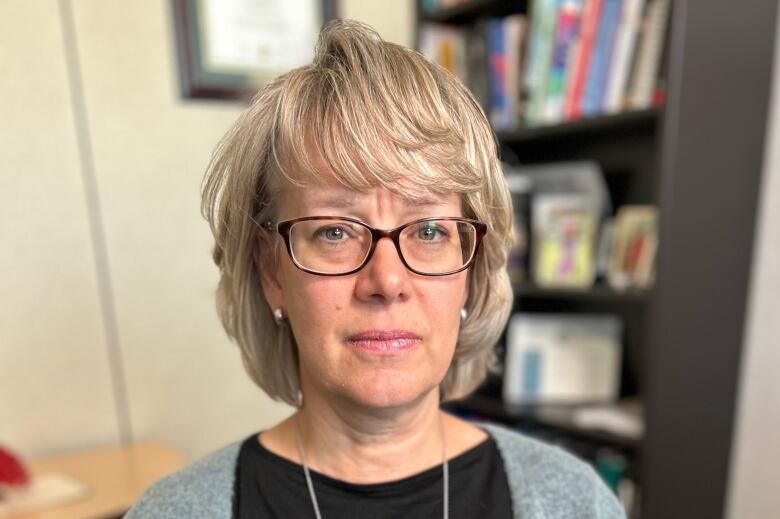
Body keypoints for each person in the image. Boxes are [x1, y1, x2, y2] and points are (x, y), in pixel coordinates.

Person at [124, 19, 624, 519]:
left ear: (472, 270)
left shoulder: (575, 502)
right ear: (271, 271)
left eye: (429, 230)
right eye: (335, 231)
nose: (387, 282)